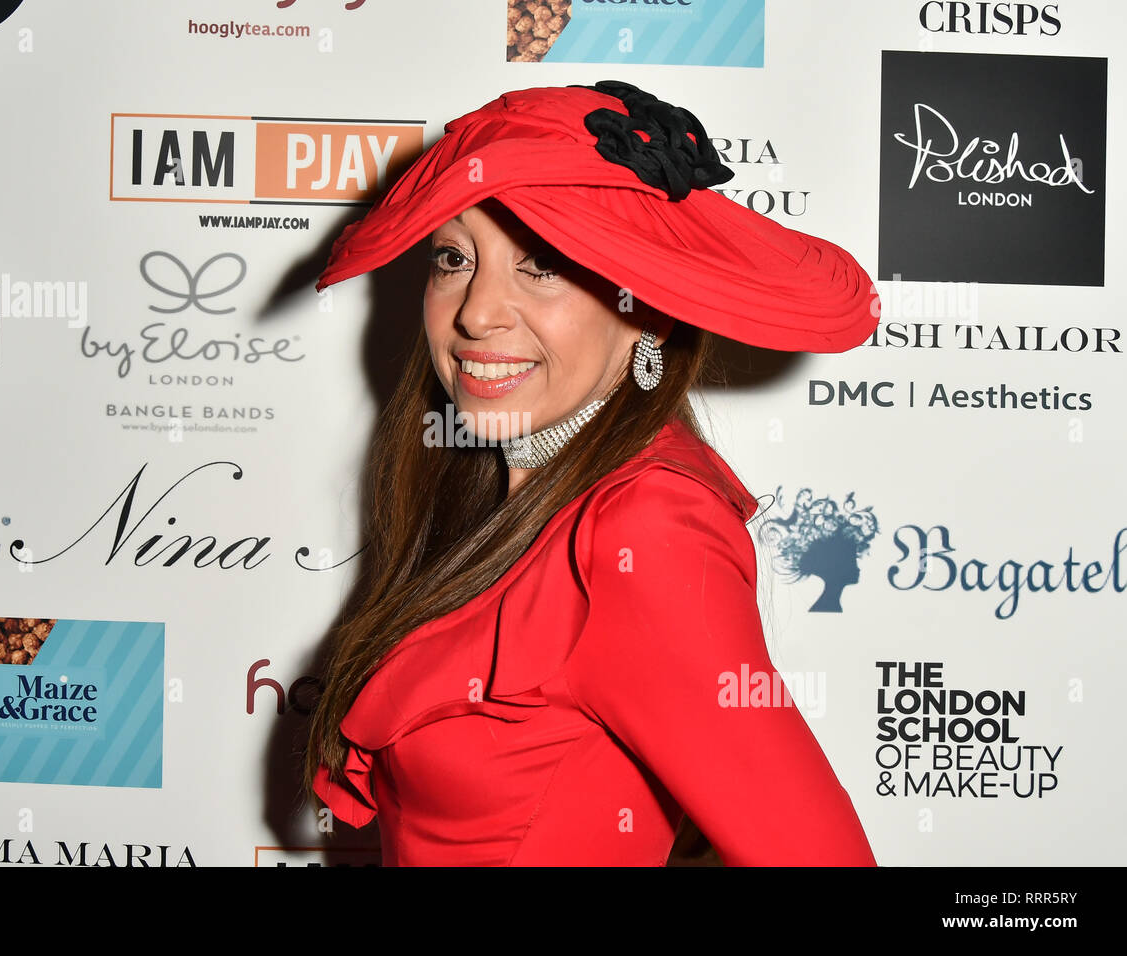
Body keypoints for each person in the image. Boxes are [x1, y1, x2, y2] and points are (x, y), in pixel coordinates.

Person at [302, 80, 879, 866]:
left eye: (542, 264)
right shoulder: (511, 497)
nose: (475, 312)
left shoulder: (642, 529)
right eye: (454, 258)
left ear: (649, 310)